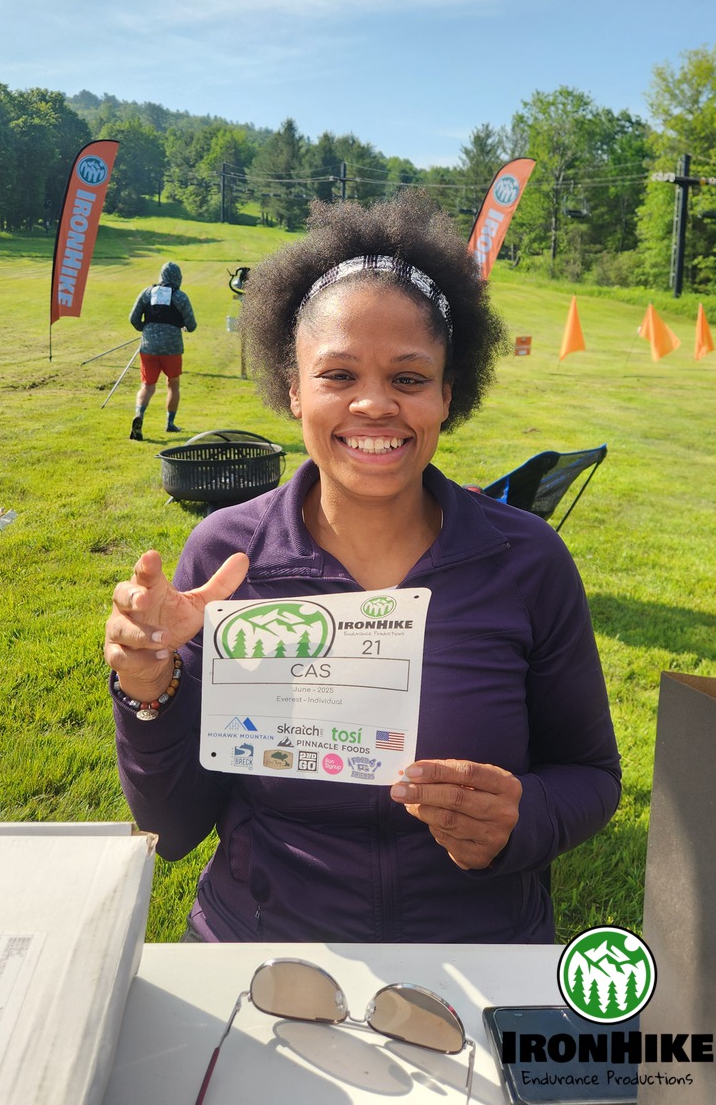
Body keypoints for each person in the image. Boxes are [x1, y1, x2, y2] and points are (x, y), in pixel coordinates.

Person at [105, 193, 621, 944]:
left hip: (481, 954)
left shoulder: (527, 561)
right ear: (292, 389)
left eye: (409, 379)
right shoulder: (226, 557)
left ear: (449, 394)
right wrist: (149, 689)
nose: (375, 404)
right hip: (260, 950)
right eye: (338, 375)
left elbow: (592, 776)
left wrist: (523, 818)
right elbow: (173, 825)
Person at [128, 261, 197, 440]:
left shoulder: (147, 292)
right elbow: (192, 324)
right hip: (172, 348)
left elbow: (133, 318)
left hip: (148, 346)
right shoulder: (180, 297)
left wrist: (145, 328)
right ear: (178, 278)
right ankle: (170, 423)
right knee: (173, 383)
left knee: (147, 386)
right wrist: (184, 327)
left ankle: (139, 415)